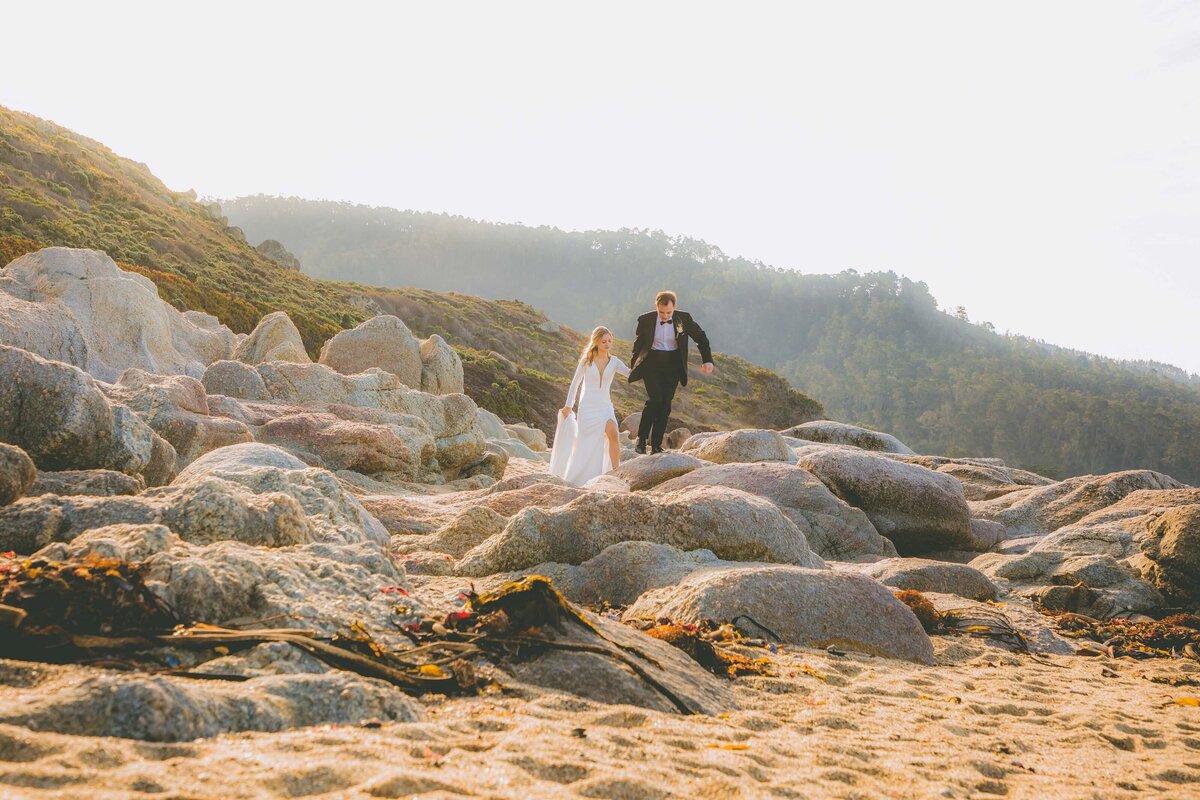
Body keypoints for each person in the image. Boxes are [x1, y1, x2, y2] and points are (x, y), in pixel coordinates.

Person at [627, 290, 714, 453]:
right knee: (655, 400)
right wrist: (634, 367)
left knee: (665, 405)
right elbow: (637, 346)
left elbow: (701, 338)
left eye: (669, 312)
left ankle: (656, 446)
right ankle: (641, 440)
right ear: (656, 306)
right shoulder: (645, 319)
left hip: (673, 366)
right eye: (661, 312)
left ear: (675, 307)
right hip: (651, 364)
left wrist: (707, 360)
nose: (665, 316)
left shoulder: (684, 319)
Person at [548, 326, 630, 486]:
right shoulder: (587, 361)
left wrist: (647, 364)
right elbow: (575, 384)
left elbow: (630, 374)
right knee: (585, 443)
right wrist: (568, 406)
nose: (607, 344)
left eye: (610, 341)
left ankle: (616, 473)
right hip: (588, 408)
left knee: (613, 433)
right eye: (604, 341)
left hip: (605, 406)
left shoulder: (614, 362)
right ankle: (581, 476)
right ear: (596, 342)